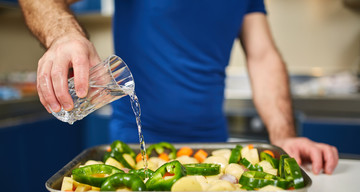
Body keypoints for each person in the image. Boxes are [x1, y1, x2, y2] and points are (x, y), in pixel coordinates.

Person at [18, 0, 338, 174]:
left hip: (213, 153)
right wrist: (64, 36)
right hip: (133, 153)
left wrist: (285, 136)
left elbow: (263, 55)